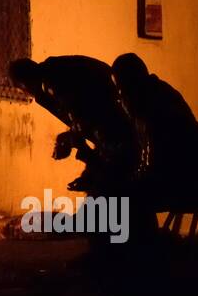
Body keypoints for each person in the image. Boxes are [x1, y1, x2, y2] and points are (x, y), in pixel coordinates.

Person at [110, 53, 198, 213]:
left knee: (127, 200)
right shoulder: (158, 97)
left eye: (120, 91)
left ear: (131, 87)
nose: (119, 99)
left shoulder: (154, 111)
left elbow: (155, 167)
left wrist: (124, 184)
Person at [9, 55, 139, 194]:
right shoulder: (53, 74)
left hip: (118, 127)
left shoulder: (53, 82)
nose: (29, 95)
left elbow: (85, 120)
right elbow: (83, 122)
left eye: (24, 91)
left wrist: (71, 139)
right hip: (116, 125)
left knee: (112, 189)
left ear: (24, 85)